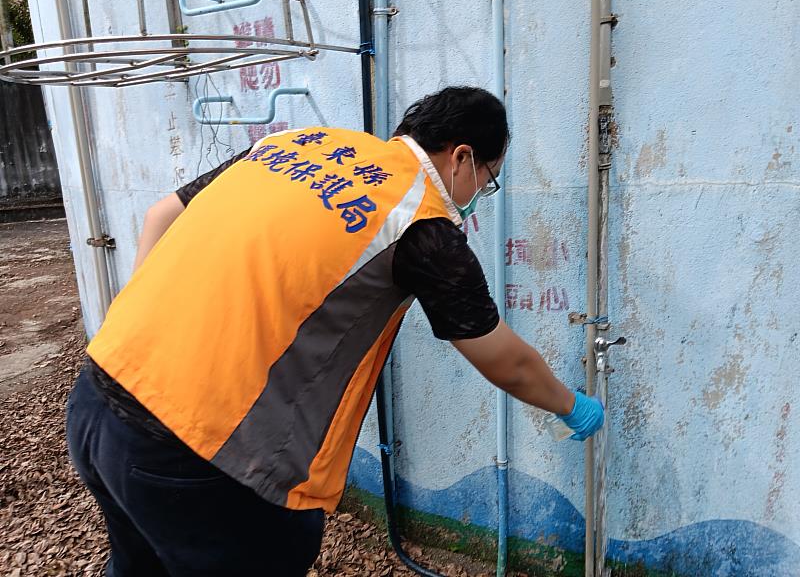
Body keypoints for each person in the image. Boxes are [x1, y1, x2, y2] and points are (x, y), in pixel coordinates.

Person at [66, 86, 603, 577]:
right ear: (461, 156)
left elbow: (162, 214)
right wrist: (568, 405)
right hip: (197, 456)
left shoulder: (295, 143)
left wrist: (140, 334)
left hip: (97, 395)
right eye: (488, 177)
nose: (481, 191)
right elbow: (501, 358)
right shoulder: (421, 221)